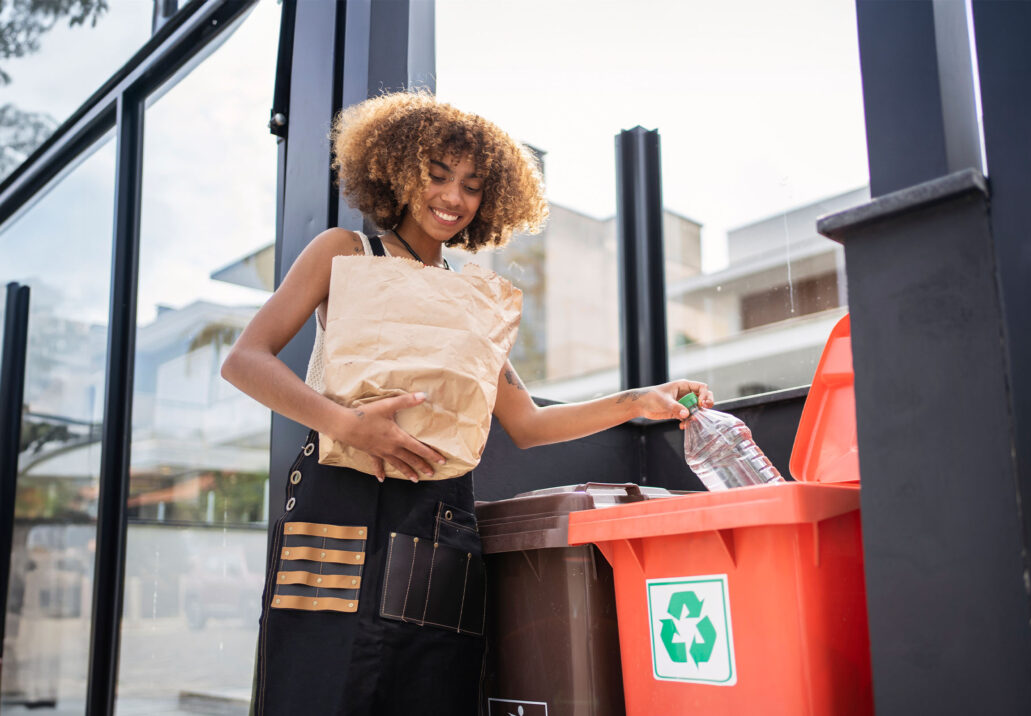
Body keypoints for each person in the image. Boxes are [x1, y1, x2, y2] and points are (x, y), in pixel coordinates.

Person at [221, 91, 715, 716]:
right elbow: (245, 360)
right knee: (319, 688)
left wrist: (635, 401)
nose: (453, 198)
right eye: (437, 175)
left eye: (473, 186)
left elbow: (527, 423)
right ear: (398, 169)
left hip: (436, 521)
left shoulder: (473, 300)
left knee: (432, 688)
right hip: (338, 509)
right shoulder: (344, 252)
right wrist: (350, 425)